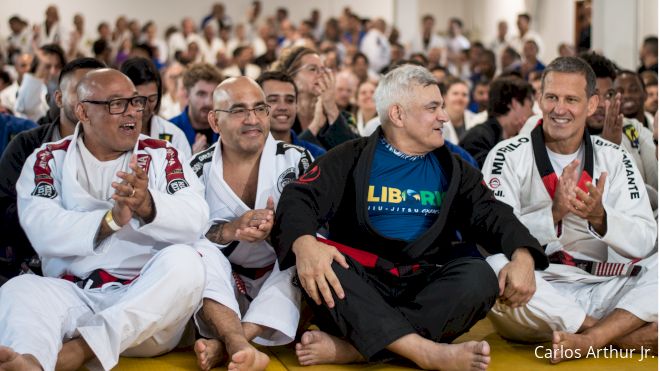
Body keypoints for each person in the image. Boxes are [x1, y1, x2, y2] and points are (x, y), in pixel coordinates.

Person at [271, 65, 548, 370]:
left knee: (479, 277)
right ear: (398, 115)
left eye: (441, 106)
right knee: (326, 266)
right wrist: (304, 243)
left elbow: (493, 214)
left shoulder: (454, 170)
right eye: (432, 108)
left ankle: (358, 349)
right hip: (361, 285)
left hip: (423, 286)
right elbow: (299, 197)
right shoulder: (350, 157)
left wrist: (523, 256)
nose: (443, 116)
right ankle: (427, 352)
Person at [0, 68, 209, 370]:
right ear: (82, 111)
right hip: (75, 294)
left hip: (144, 307)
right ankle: (31, 360)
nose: (132, 113)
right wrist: (109, 221)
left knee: (187, 263)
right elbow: (41, 227)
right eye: (116, 104)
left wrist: (147, 204)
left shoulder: (163, 154)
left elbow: (197, 217)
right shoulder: (48, 158)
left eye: (134, 102)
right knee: (19, 290)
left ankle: (81, 351)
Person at [481, 57, 657, 363]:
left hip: (605, 289)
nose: (559, 109)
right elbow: (490, 234)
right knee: (492, 268)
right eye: (551, 97)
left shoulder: (615, 158)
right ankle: (618, 336)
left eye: (571, 100)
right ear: (539, 99)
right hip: (538, 291)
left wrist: (601, 218)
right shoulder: (507, 155)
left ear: (591, 105)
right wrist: (553, 214)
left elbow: (645, 240)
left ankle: (591, 337)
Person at [190, 76, 313, 371]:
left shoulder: (296, 161)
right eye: (239, 111)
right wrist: (232, 229)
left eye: (260, 109)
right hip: (223, 290)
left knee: (306, 253)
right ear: (215, 121)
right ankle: (240, 344)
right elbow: (185, 231)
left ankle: (233, 343)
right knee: (194, 255)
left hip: (281, 282)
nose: (253, 119)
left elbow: (318, 228)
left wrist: (276, 233)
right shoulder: (197, 167)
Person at [0, 57, 106, 282]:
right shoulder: (26, 145)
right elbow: (4, 208)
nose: (91, 99)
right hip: (28, 264)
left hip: (98, 268)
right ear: (58, 98)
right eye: (81, 90)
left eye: (99, 92)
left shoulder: (118, 150)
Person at [579, 52, 658, 192]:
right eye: (593, 94)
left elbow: (656, 182)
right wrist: (609, 147)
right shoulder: (564, 136)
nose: (602, 104)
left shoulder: (630, 127)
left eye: (609, 94)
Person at [273, 46, 358, 150]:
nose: (321, 74)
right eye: (312, 69)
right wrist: (315, 125)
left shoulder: (343, 117)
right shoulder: (280, 116)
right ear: (292, 77)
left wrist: (331, 107)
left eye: (323, 69)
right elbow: (285, 158)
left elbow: (358, 154)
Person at [120, 57, 192, 159]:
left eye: (152, 99)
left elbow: (185, 173)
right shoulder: (112, 135)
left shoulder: (173, 134)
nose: (145, 107)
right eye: (138, 100)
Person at [460, 76, 533, 167]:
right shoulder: (478, 138)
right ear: (515, 104)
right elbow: (491, 175)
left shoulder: (501, 136)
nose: (531, 113)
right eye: (529, 106)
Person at [256, 71, 326, 158]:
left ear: (297, 105)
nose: (283, 107)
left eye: (289, 100)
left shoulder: (315, 155)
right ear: (257, 107)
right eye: (273, 100)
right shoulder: (243, 153)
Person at [170, 63, 224, 153]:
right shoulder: (170, 130)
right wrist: (192, 159)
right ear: (187, 95)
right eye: (201, 94)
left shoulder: (225, 128)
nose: (209, 102)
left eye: (214, 94)